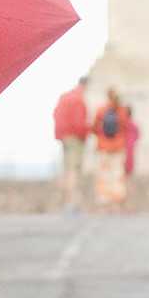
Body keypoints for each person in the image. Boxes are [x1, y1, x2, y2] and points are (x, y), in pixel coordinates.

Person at [91, 88, 130, 211]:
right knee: (117, 175)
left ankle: (104, 204)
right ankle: (116, 204)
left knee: (104, 176)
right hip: (118, 147)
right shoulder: (123, 110)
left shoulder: (101, 109)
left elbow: (95, 127)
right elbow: (125, 127)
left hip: (103, 147)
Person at [53, 77, 89, 212]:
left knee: (66, 169)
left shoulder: (65, 97)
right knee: (74, 170)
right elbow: (79, 122)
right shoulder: (78, 99)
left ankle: (65, 202)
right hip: (74, 137)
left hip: (63, 136)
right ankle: (70, 204)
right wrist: (85, 134)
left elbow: (56, 114)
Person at [123, 105, 140, 213]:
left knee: (124, 182)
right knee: (130, 181)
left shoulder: (123, 126)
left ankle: (126, 206)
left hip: (122, 154)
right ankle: (131, 205)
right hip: (131, 154)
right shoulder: (134, 126)